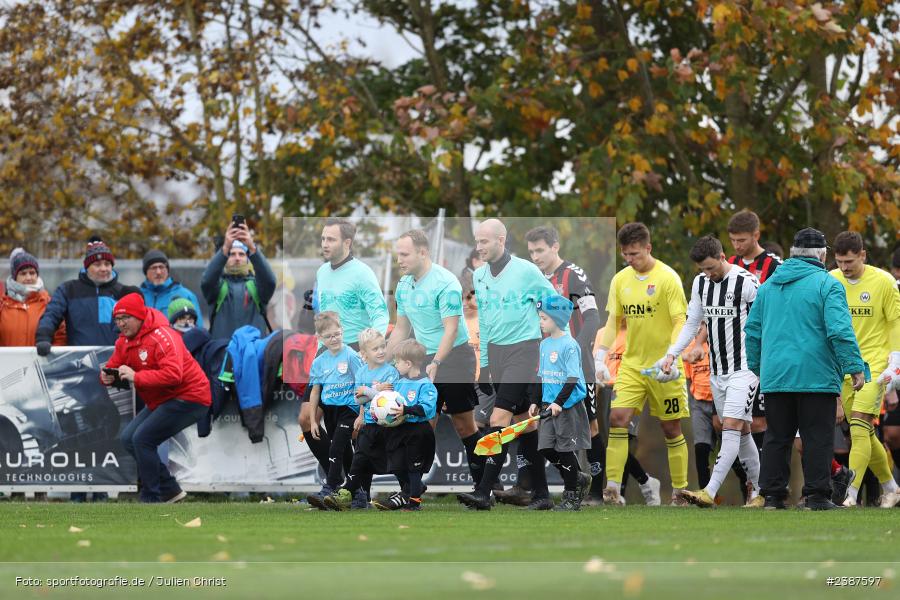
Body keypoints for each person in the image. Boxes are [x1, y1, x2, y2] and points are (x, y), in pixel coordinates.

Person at [745, 227, 867, 510]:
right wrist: (854, 367)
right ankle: (817, 496)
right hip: (816, 376)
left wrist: (761, 368)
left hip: (776, 377)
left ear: (792, 254)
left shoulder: (768, 286)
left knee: (777, 438)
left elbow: (752, 331)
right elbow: (839, 330)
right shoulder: (828, 284)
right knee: (817, 438)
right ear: (823, 254)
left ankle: (773, 496)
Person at [456, 219, 558, 511]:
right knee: (524, 425)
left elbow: (554, 303)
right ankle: (543, 496)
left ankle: (483, 493)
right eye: (477, 241)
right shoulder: (479, 275)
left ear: (501, 240)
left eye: (485, 241)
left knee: (497, 421)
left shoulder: (526, 270)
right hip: (497, 355)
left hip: (524, 352)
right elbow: (485, 320)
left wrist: (551, 342)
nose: (479, 247)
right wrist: (485, 364)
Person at [658, 235, 763, 508]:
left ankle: (709, 491)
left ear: (722, 257)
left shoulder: (748, 283)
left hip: (746, 368)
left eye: (711, 268)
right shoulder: (701, 283)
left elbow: (766, 321)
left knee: (730, 426)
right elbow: (692, 323)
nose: (708, 273)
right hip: (717, 371)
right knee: (742, 433)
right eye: (702, 269)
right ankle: (763, 492)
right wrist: (673, 353)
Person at [594, 222, 691, 506]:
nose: (630, 260)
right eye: (625, 255)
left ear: (648, 248)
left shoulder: (668, 278)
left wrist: (672, 356)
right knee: (617, 419)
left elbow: (680, 321)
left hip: (665, 366)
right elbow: (613, 322)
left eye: (635, 254)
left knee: (671, 428)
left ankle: (681, 492)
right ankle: (612, 490)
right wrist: (600, 356)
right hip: (633, 365)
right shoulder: (620, 280)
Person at [507, 225, 601, 507]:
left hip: (574, 363)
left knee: (591, 427)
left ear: (555, 247)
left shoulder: (573, 274)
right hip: (544, 363)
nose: (535, 256)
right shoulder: (531, 277)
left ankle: (596, 493)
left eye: (540, 250)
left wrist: (574, 350)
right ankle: (530, 486)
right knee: (542, 431)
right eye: (531, 251)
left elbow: (593, 316)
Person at [388, 229, 484, 489]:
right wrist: (382, 362)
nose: (400, 260)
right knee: (421, 425)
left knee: (464, 426)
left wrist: (436, 363)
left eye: (404, 254)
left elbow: (451, 330)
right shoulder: (404, 285)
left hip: (453, 358)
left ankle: (484, 488)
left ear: (423, 252)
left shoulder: (446, 282)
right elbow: (400, 329)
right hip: (423, 359)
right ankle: (411, 491)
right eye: (398, 254)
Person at [300, 218, 389, 474]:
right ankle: (339, 483)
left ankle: (351, 487)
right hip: (325, 354)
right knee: (307, 419)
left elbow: (380, 314)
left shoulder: (362, 273)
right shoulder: (322, 272)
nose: (324, 243)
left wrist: (370, 347)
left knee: (350, 426)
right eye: (323, 238)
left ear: (347, 242)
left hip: (352, 353)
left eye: (331, 239)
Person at [105, 294, 210, 503]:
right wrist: (107, 376)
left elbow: (173, 375)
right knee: (129, 439)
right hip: (164, 399)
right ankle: (170, 490)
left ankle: (151, 497)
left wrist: (136, 377)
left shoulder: (163, 336)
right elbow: (114, 366)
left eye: (125, 318)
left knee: (142, 439)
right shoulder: (123, 342)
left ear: (139, 316)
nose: (121, 323)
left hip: (191, 397)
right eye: (117, 319)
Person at [829, 231, 900, 507]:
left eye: (849, 262)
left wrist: (895, 360)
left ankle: (851, 494)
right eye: (839, 262)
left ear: (863, 256)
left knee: (859, 425)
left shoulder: (884, 282)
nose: (844, 268)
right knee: (864, 433)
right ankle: (891, 487)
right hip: (843, 368)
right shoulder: (831, 281)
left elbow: (895, 322)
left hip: (875, 366)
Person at [324, 328, 399, 511]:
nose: (381, 351)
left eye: (383, 347)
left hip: (388, 426)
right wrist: (362, 412)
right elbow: (359, 399)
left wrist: (369, 391)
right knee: (360, 460)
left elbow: (387, 398)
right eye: (375, 349)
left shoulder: (391, 372)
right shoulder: (362, 373)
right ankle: (350, 495)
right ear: (364, 354)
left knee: (395, 463)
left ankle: (410, 491)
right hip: (367, 424)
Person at [531, 294, 592, 511]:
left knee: (565, 449)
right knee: (546, 448)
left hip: (566, 405)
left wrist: (558, 402)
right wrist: (536, 401)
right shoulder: (544, 344)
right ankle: (577, 476)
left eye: (544, 318)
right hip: (548, 404)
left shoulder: (569, 345)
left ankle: (572, 496)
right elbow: (541, 375)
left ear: (557, 318)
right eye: (540, 317)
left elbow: (572, 378)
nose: (540, 322)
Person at [590, 323, 661, 506]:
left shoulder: (638, 331)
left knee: (624, 440)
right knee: (609, 444)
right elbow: (596, 363)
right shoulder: (602, 333)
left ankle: (618, 494)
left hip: (629, 389)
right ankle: (646, 481)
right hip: (606, 389)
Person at [36, 236, 140, 352]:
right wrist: (43, 337)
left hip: (116, 360)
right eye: (97, 264)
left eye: (107, 264)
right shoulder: (68, 289)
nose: (103, 268)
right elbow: (52, 315)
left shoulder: (123, 292)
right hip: (79, 360)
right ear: (87, 267)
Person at [305, 311, 365, 509]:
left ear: (343, 331)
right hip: (330, 412)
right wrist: (314, 420)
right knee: (345, 451)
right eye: (329, 336)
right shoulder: (319, 362)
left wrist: (362, 413)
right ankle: (359, 493)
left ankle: (330, 487)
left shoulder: (351, 356)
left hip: (349, 409)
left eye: (337, 334)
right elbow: (315, 392)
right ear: (320, 338)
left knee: (336, 447)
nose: (334, 339)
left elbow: (362, 385)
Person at [373, 339, 439, 511]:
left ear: (408, 363)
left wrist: (407, 410)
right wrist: (380, 390)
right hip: (398, 430)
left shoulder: (426, 385)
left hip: (417, 432)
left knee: (413, 468)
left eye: (398, 362)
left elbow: (427, 408)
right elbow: (388, 400)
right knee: (396, 465)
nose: (395, 365)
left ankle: (414, 502)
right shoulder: (399, 383)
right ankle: (412, 488)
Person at [200, 219, 276, 340]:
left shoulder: (256, 287)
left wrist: (252, 247)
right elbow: (207, 281)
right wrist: (225, 248)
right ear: (225, 258)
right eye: (232, 254)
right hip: (223, 355)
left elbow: (270, 281)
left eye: (241, 254)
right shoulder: (218, 288)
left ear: (247, 258)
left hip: (253, 356)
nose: (237, 258)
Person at [0, 249, 66, 346]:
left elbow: (61, 336)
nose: (28, 278)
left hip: (41, 361)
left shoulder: (49, 304)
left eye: (32, 273)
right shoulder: (2, 305)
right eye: (23, 273)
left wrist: (50, 358)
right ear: (15, 277)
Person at [140, 250, 204, 329]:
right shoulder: (138, 296)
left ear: (167, 270)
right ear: (146, 272)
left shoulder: (185, 295)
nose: (158, 272)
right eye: (154, 268)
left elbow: (198, 329)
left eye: (161, 267)